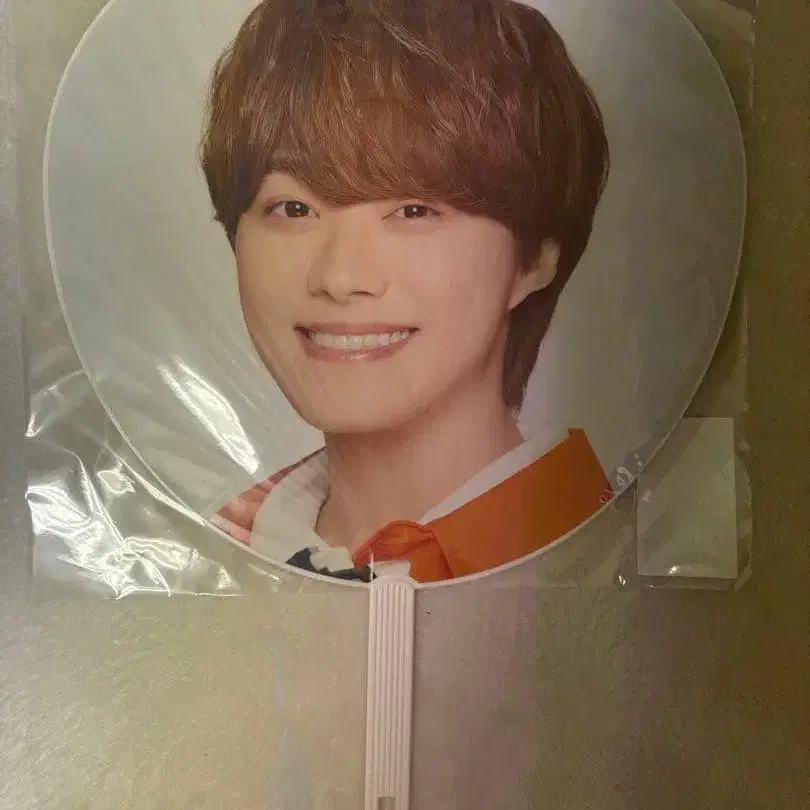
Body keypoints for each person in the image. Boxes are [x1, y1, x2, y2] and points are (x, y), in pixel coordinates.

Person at [200, 0, 611, 583]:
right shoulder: (197, 563)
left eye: (413, 210)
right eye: (293, 208)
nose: (340, 277)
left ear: (534, 258)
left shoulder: (618, 567)